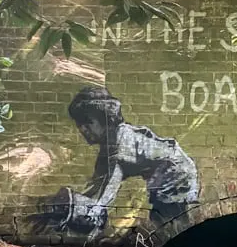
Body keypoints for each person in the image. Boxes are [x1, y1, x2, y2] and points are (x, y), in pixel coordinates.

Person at [46, 86, 199, 233]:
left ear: (106, 119)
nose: (82, 129)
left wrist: (95, 208)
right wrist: (84, 201)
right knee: (165, 217)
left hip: (174, 170)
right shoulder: (109, 146)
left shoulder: (120, 141)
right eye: (79, 124)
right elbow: (97, 183)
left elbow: (110, 183)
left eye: (88, 122)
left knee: (167, 217)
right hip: (171, 169)